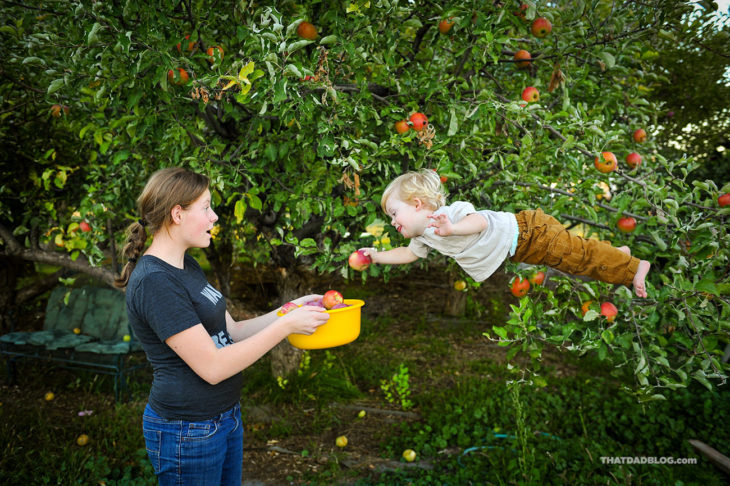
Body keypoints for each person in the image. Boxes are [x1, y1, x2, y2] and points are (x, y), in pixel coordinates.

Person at [115, 167, 329, 486]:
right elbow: (212, 367)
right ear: (177, 214)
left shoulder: (186, 264)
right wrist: (286, 328)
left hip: (225, 417)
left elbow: (233, 332)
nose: (214, 217)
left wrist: (288, 310)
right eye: (206, 208)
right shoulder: (155, 282)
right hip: (188, 430)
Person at [359, 169, 651, 298]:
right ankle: (616, 256)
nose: (394, 221)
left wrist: (453, 229)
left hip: (531, 232)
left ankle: (636, 267)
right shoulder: (421, 236)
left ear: (417, 204)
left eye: (394, 213)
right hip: (525, 249)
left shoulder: (448, 215)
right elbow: (408, 254)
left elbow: (480, 222)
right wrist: (376, 257)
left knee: (577, 258)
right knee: (576, 258)